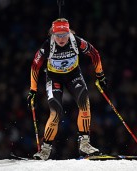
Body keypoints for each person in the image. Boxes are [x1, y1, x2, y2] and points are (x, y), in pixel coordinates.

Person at [27, 18, 108, 160]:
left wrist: (100, 75)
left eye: (64, 34)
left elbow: (94, 53)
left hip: (73, 75)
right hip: (54, 78)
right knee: (56, 112)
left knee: (84, 103)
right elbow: (35, 66)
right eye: (58, 35)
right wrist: (32, 90)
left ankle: (84, 143)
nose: (61, 38)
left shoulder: (76, 41)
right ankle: (45, 150)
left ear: (69, 32)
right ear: (52, 34)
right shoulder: (47, 45)